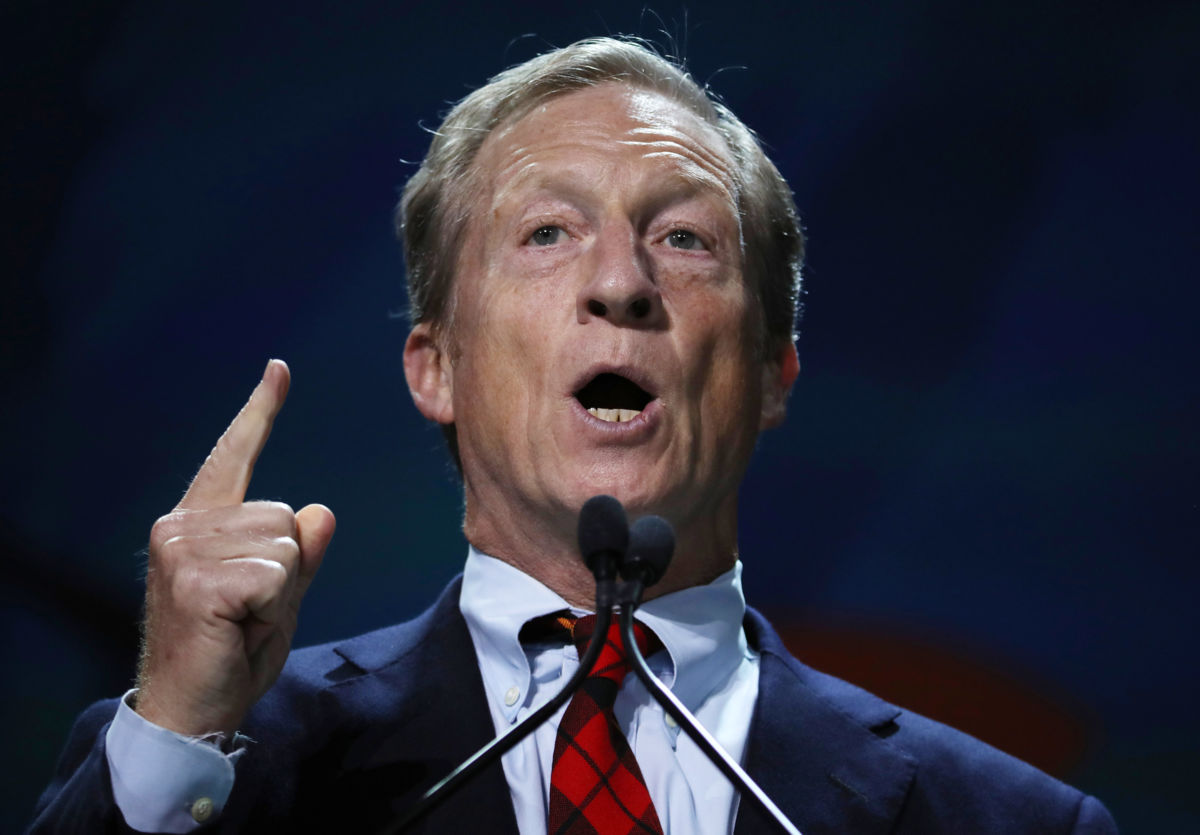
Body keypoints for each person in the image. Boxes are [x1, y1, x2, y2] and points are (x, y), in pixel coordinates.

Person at [29, 37, 1116, 834]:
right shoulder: (220, 769)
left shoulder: (1003, 819)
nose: (619, 283)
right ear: (436, 367)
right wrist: (179, 721)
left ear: (774, 373)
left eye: (684, 239)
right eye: (548, 233)